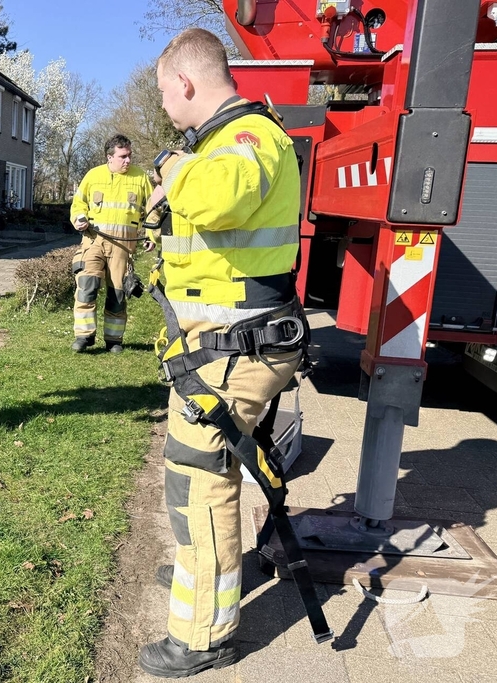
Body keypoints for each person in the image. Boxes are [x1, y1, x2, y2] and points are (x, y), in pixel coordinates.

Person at [139, 28, 308, 677]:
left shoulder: (248, 137)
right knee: (200, 473)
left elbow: (216, 197)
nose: (164, 107)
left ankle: (203, 633)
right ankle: (201, 571)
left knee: (198, 474)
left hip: (239, 348)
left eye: (163, 92)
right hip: (223, 345)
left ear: (185, 82)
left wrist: (173, 168)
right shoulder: (224, 145)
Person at [69, 134, 153, 354]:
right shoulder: (93, 176)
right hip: (93, 242)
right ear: (109, 157)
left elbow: (154, 209)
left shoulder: (141, 178)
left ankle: (114, 340)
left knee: (117, 294)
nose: (128, 160)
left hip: (122, 248)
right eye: (123, 156)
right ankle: (84, 337)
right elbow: (78, 205)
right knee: (86, 287)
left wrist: (153, 235)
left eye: (129, 156)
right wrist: (79, 219)